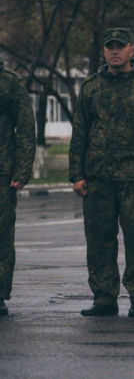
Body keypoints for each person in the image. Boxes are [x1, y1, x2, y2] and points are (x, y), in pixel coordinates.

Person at [69, 28, 134, 318]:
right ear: (103, 51)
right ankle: (104, 297)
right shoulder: (91, 87)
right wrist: (77, 173)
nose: (114, 51)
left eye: (120, 46)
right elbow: (80, 135)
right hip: (98, 179)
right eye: (109, 47)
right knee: (100, 240)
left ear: (131, 50)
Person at [0, 57, 35, 316]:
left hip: (1, 171)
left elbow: (24, 127)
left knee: (1, 234)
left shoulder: (10, 83)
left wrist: (22, 169)